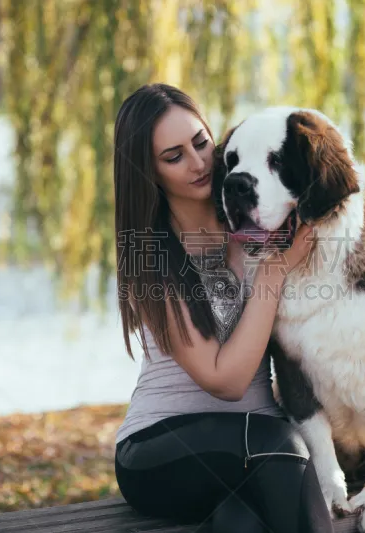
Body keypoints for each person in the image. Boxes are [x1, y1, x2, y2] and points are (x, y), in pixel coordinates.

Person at [113, 83, 335, 533]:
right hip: (160, 450)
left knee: (242, 524)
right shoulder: (152, 256)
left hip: (258, 452)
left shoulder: (258, 207)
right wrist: (271, 275)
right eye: (173, 157)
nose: (198, 164)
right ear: (147, 172)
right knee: (282, 445)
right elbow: (226, 380)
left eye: (201, 143)